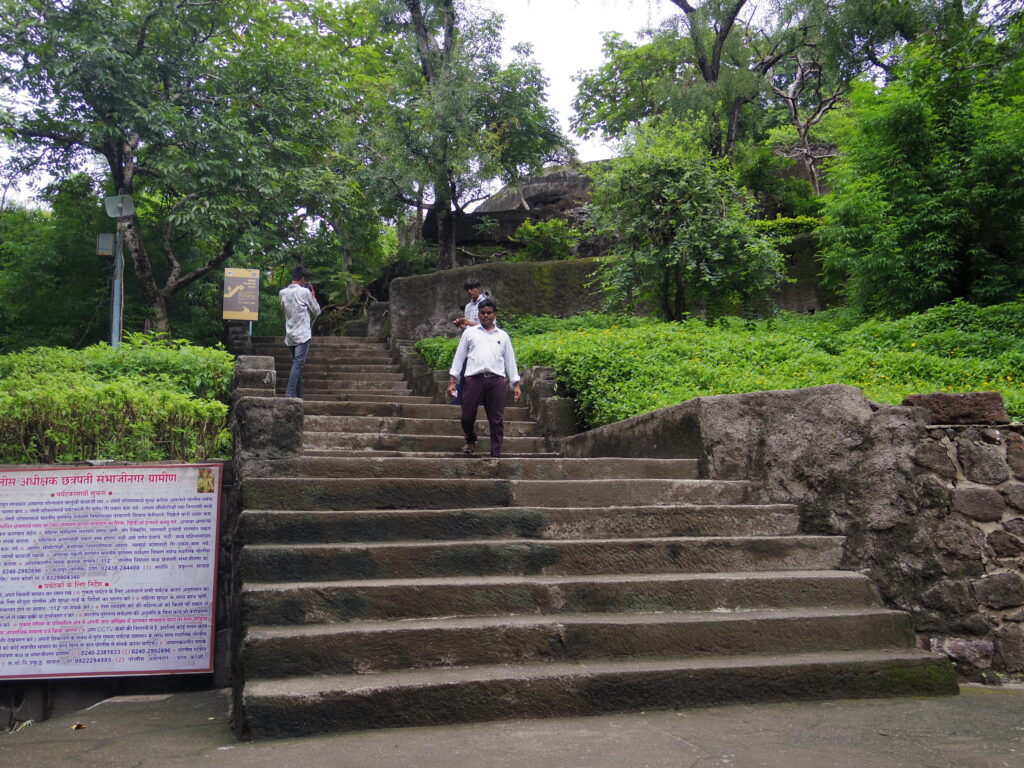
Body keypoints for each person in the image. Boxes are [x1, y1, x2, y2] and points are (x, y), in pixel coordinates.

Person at [446, 298, 521, 457]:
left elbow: (510, 360)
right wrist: (453, 380)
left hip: (496, 381)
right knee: (467, 417)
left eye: (489, 313)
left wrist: (516, 384)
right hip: (474, 379)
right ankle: (471, 438)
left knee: (496, 420)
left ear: (495, 314)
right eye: (483, 313)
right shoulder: (469, 333)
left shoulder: (503, 336)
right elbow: (459, 357)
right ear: (478, 314)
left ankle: (495, 455)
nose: (486, 316)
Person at [279, 265, 320, 399]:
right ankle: (290, 394)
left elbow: (283, 307)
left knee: (297, 365)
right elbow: (317, 311)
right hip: (303, 335)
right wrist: (313, 297)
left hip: (290, 334)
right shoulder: (305, 292)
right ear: (302, 279)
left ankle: (299, 396)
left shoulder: (283, 293)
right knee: (298, 364)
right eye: (305, 280)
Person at [450, 278, 485, 405]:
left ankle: (471, 400)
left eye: (472, 289)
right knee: (464, 370)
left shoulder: (486, 304)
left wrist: (467, 322)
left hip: (483, 342)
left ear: (478, 289)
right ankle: (460, 399)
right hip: (470, 342)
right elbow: (469, 328)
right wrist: (461, 325)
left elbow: (488, 325)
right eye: (467, 290)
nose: (470, 292)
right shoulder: (469, 306)